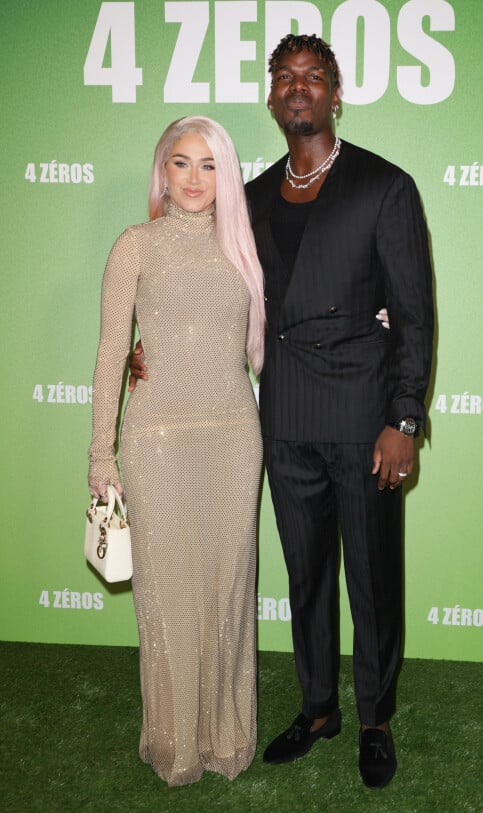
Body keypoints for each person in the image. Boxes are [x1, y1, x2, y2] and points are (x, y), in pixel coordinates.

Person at [131, 34, 433, 789]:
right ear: (271, 97)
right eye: (285, 77)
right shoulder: (252, 196)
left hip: (366, 416)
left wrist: (406, 418)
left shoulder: (384, 186)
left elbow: (417, 314)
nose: (298, 88)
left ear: (336, 94)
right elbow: (204, 286)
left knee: (371, 574)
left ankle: (374, 718)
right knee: (305, 575)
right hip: (284, 415)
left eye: (314, 77)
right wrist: (152, 354)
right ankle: (319, 706)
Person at [88, 116, 265, 786]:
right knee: (167, 596)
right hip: (156, 440)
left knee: (227, 591)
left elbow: (288, 327)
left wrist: (375, 316)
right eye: (181, 163)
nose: (194, 179)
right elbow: (111, 351)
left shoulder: (247, 249)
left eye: (209, 165)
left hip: (233, 438)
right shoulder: (135, 245)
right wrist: (99, 455)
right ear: (162, 171)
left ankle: (225, 733)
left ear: (227, 175)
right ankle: (175, 739)